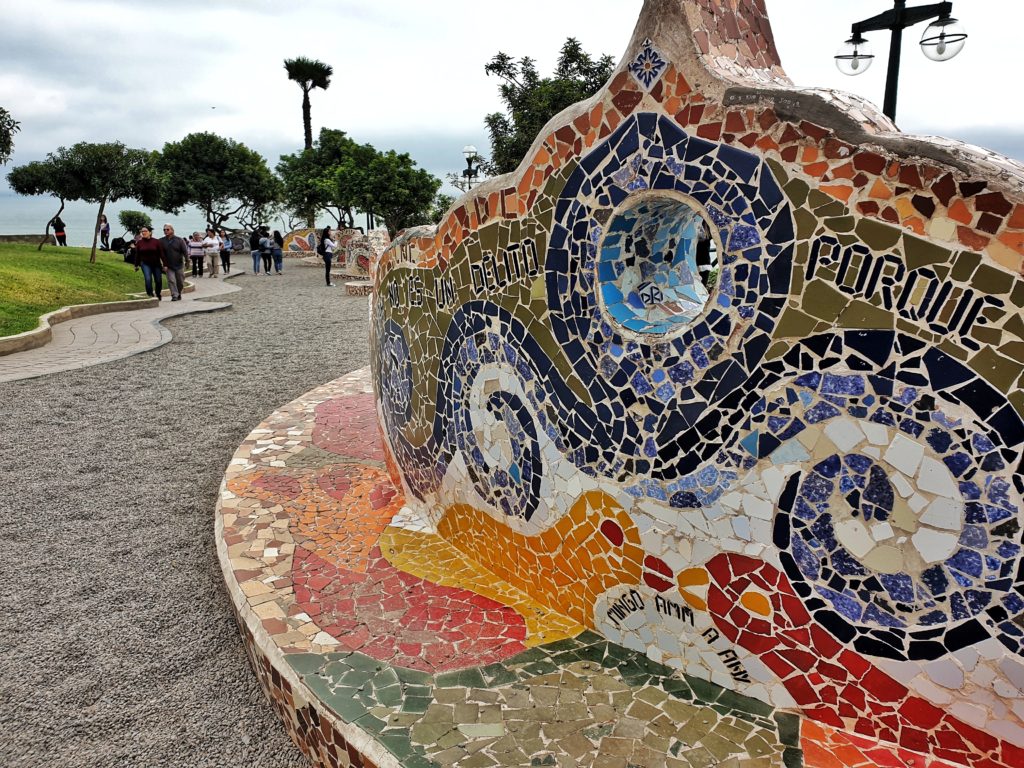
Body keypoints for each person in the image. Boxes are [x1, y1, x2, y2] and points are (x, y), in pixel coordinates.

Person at [133, 225, 166, 300]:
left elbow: (162, 254)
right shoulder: (139, 243)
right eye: (142, 231)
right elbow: (137, 255)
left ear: (150, 232)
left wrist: (165, 264)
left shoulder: (156, 242)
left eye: (145, 231)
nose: (143, 233)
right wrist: (136, 265)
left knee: (158, 280)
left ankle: (158, 293)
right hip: (145, 264)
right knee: (148, 279)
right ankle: (150, 294)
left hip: (156, 264)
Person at [159, 224, 188, 301]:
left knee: (180, 281)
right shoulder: (161, 241)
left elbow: (185, 252)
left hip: (179, 264)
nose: (165, 231)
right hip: (168, 265)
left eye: (167, 229)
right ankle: (174, 295)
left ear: (172, 230)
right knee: (171, 280)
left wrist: (187, 261)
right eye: (164, 230)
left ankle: (178, 293)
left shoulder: (180, 240)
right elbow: (160, 253)